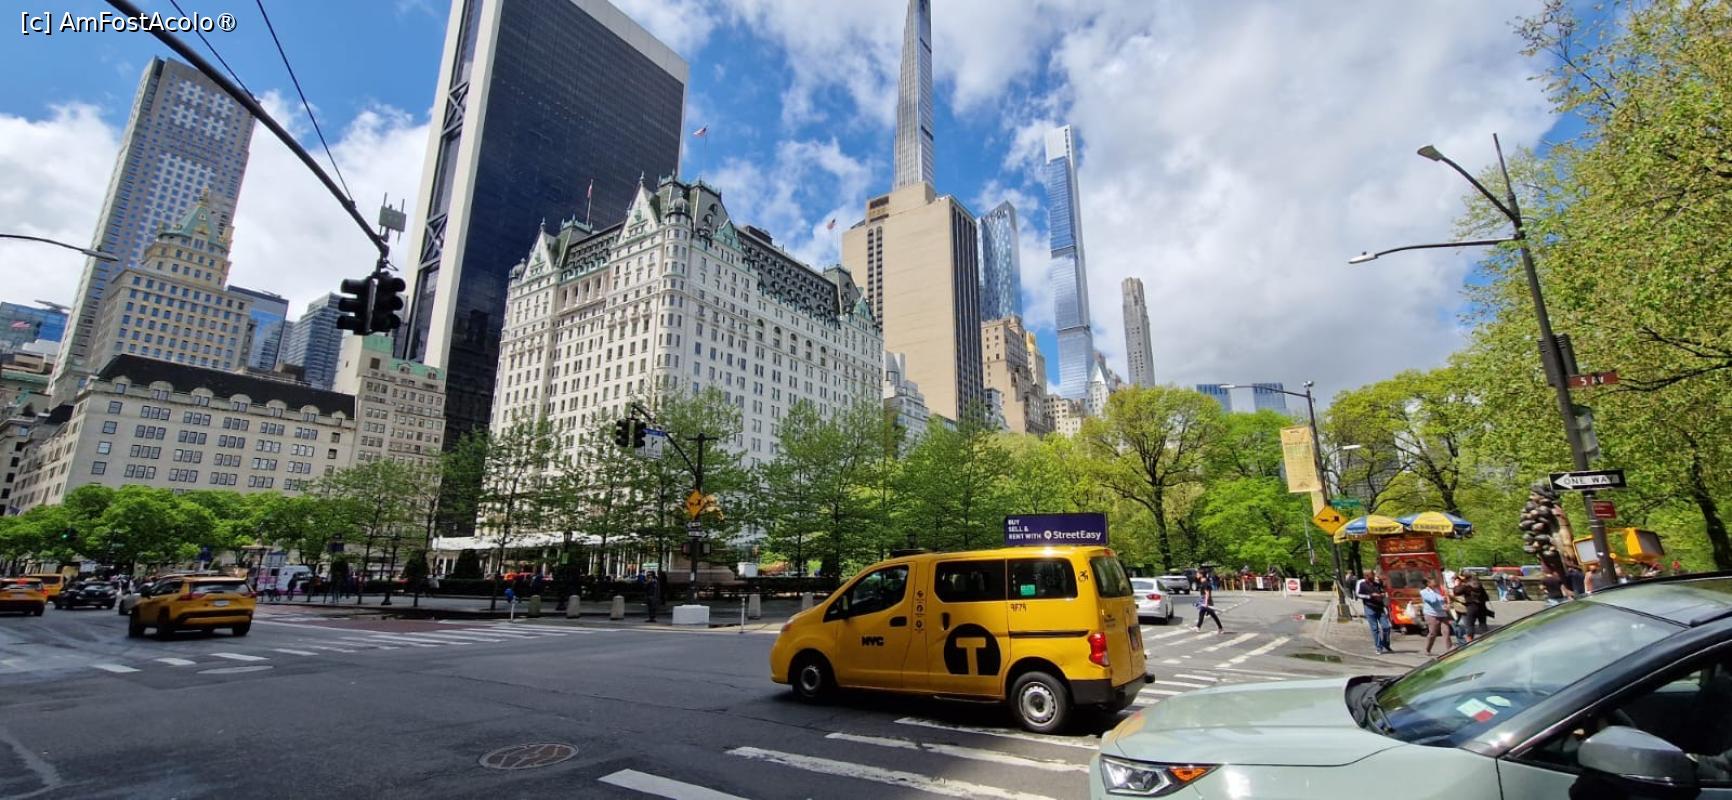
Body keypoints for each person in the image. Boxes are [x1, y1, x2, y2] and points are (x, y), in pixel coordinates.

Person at [1355, 570, 1392, 654]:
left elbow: (1383, 590)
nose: (1374, 577)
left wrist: (1382, 594)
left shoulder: (1377, 582)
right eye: (1372, 575)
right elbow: (1358, 594)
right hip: (1369, 607)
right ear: (1366, 576)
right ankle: (1378, 647)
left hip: (1379, 607)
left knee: (1386, 627)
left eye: (1373, 575)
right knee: (1375, 629)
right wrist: (1370, 596)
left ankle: (1385, 644)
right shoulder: (1361, 583)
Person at [1419, 578, 1453, 656]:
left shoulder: (1437, 590)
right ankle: (1427, 649)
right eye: (1433, 582)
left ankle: (1450, 648)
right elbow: (1433, 600)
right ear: (1428, 584)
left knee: (1446, 631)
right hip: (1432, 614)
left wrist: (1445, 603)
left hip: (1442, 614)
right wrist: (1431, 591)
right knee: (1433, 633)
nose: (1435, 583)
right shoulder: (1424, 592)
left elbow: (1441, 600)